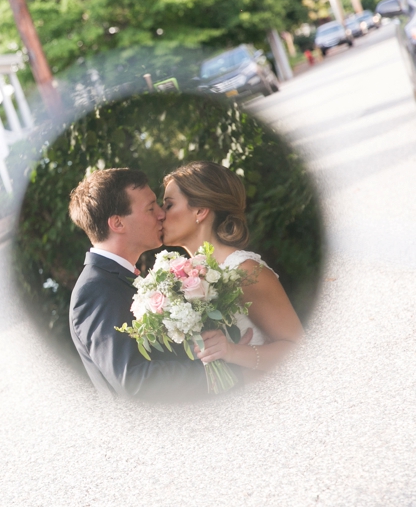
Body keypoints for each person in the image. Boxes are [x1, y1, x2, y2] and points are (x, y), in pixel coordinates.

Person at [68, 168, 220, 401]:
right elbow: (136, 381)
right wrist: (217, 373)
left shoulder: (119, 279)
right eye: (151, 208)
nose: (161, 214)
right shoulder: (95, 291)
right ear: (117, 223)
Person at [161, 161, 303, 377]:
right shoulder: (186, 277)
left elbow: (301, 352)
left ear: (200, 210)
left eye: (168, 205)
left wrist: (234, 352)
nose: (160, 215)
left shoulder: (244, 270)